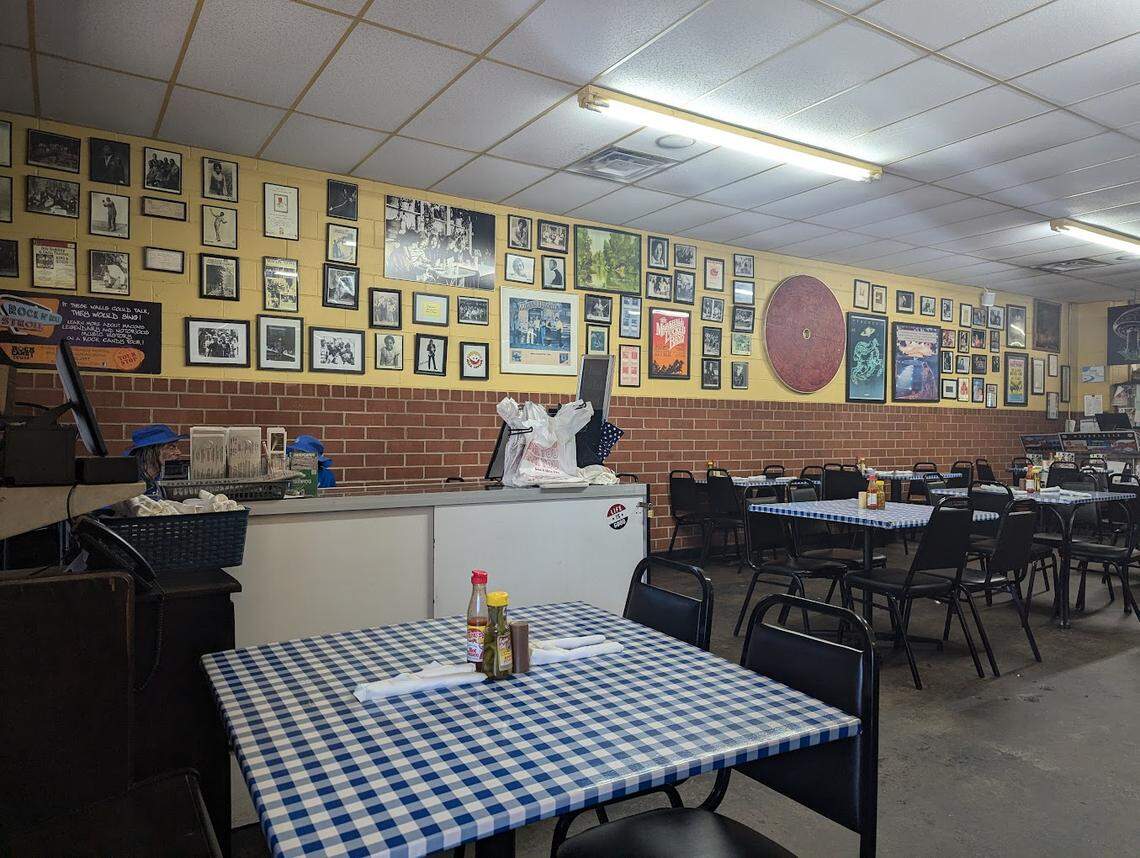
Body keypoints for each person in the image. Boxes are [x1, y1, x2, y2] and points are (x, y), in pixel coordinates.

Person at [124, 424, 188, 495]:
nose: (179, 452)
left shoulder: (162, 476)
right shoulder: (128, 479)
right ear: (150, 451)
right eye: (171, 447)